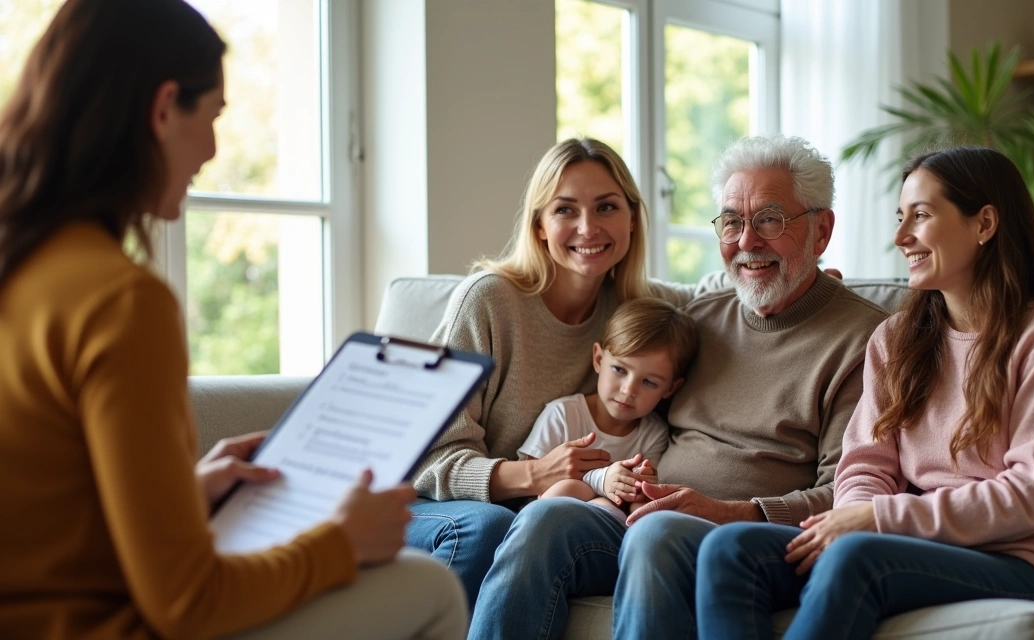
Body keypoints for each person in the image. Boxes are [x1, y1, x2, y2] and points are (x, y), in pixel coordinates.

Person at [0, 1, 466, 638]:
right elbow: (189, 602)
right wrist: (340, 541)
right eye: (212, 116)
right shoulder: (120, 301)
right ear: (164, 108)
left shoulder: (26, 267)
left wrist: (185, 493)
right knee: (430, 584)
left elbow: (47, 519)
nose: (213, 149)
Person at [466, 134, 890, 639]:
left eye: (771, 220)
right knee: (548, 519)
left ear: (821, 231)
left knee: (657, 532)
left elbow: (848, 495)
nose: (748, 242)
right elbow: (668, 312)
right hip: (641, 514)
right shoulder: (700, 320)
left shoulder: (866, 341)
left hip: (746, 538)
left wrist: (728, 511)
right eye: (731, 221)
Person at [695, 146, 1034, 640]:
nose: (900, 237)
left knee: (855, 557)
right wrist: (852, 515)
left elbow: (1027, 497)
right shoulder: (896, 339)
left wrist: (877, 519)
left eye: (921, 216)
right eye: (900, 217)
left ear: (984, 224)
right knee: (730, 549)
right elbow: (866, 464)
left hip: (1016, 561)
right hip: (905, 545)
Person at [409, 138, 695, 604]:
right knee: (491, 526)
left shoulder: (632, 309)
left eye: (606, 207)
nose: (588, 227)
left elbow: (708, 294)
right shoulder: (488, 301)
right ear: (540, 224)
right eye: (565, 210)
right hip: (432, 506)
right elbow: (427, 458)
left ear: (631, 219)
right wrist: (531, 475)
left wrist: (798, 276)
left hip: (542, 517)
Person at [519, 297, 698, 515]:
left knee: (635, 507)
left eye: (649, 382)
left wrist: (643, 483)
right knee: (571, 488)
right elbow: (530, 487)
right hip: (542, 516)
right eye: (620, 370)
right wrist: (600, 480)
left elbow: (641, 494)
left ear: (670, 389)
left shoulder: (653, 434)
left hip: (612, 521)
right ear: (598, 359)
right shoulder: (563, 415)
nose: (628, 390)